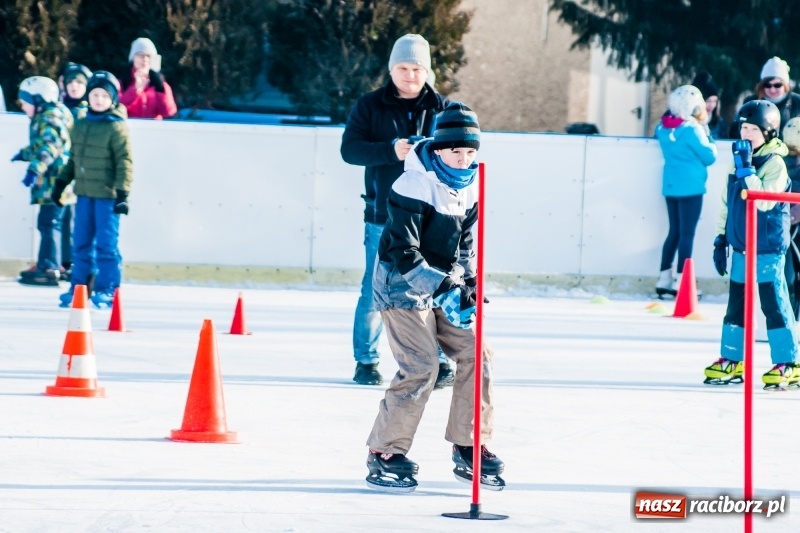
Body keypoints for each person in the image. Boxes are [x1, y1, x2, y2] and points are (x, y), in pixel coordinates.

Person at [364, 102, 504, 493]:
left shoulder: (471, 184)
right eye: (456, 151)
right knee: (423, 365)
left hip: (442, 285)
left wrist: (470, 284)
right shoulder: (412, 184)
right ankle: (384, 451)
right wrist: (443, 289)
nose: (464, 160)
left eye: (471, 152)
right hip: (401, 287)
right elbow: (402, 252)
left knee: (479, 352)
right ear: (439, 149)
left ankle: (469, 443)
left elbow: (466, 245)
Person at [340, 34, 453, 387]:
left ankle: (439, 362)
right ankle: (366, 360)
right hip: (383, 215)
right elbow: (350, 150)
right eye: (403, 68)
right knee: (373, 290)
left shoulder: (443, 107)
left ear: (427, 70)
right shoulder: (370, 105)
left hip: (432, 217)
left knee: (432, 289)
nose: (409, 75)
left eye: (416, 68)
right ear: (392, 70)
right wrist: (392, 150)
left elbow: (463, 151)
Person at [706, 100, 800, 390]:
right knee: (736, 306)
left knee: (774, 304)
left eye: (752, 129)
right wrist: (721, 238)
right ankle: (732, 359)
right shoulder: (736, 162)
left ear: (769, 132)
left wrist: (747, 169)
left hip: (767, 248)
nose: (745, 133)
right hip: (741, 246)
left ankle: (789, 363)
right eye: (742, 127)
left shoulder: (775, 165)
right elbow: (727, 203)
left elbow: (764, 201)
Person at [52, 71, 133, 309]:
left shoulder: (116, 127)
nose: (99, 100)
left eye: (104, 96)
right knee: (81, 244)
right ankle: (79, 289)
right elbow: (73, 160)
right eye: (95, 94)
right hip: (85, 195)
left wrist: (123, 194)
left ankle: (108, 289)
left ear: (113, 100)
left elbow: (125, 162)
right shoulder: (81, 124)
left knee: (106, 246)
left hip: (107, 197)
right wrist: (61, 184)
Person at [654, 85, 718, 298]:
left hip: (671, 186)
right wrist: (708, 136)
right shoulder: (692, 130)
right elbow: (710, 157)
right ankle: (683, 281)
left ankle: (664, 278)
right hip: (691, 187)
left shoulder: (663, 128)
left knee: (674, 231)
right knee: (687, 234)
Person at [11, 76, 73, 287]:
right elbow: (41, 146)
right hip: (59, 183)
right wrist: (24, 153)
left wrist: (33, 169)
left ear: (39, 99)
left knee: (49, 223)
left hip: (53, 184)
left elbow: (49, 147)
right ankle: (60, 264)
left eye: (26, 101)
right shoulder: (51, 115)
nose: (22, 105)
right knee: (58, 224)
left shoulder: (49, 117)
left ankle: (48, 267)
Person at [57, 62, 93, 281]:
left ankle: (77, 262)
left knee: (80, 218)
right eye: (71, 81)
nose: (74, 86)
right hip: (65, 171)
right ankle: (65, 261)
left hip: (83, 171)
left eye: (79, 82)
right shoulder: (59, 109)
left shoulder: (87, 112)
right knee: (64, 216)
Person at [730, 57, 800, 140]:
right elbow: (736, 131)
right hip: (757, 150)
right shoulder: (751, 102)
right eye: (767, 85)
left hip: (790, 151)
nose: (772, 90)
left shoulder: (797, 102)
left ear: (785, 85)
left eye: (777, 85)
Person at [119, 37, 177, 119]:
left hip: (154, 130)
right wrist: (135, 90)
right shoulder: (123, 82)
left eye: (149, 56)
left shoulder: (160, 84)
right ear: (133, 58)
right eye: (141, 55)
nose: (145, 59)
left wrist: (160, 88)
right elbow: (117, 108)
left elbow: (169, 112)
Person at [781, 117, 800, 319]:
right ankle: (791, 318)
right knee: (789, 274)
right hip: (787, 224)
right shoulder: (782, 162)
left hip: (787, 223)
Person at [691, 71, 727, 140]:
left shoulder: (718, 123)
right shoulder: (688, 122)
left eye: (715, 101)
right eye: (708, 101)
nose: (712, 105)